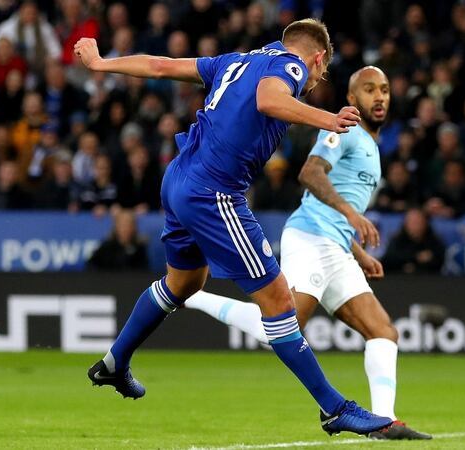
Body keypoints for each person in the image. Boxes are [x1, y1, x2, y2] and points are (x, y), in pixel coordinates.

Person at [75, 19, 392, 436]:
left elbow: (160, 66)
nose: (314, 82)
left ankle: (116, 363)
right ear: (317, 58)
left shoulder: (235, 61)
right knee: (279, 301)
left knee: (185, 282)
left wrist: (101, 64)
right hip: (214, 193)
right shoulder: (292, 69)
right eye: (322, 72)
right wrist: (326, 118)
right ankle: (335, 409)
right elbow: (268, 99)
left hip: (178, 179)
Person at [184, 67, 431, 440]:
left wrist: (357, 250)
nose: (379, 96)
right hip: (311, 238)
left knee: (383, 331)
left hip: (337, 246)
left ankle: (385, 421)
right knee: (282, 330)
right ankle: (195, 296)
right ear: (352, 99)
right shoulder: (343, 130)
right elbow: (310, 173)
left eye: (384, 89)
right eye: (369, 90)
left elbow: (338, 200)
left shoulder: (372, 146)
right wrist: (353, 216)